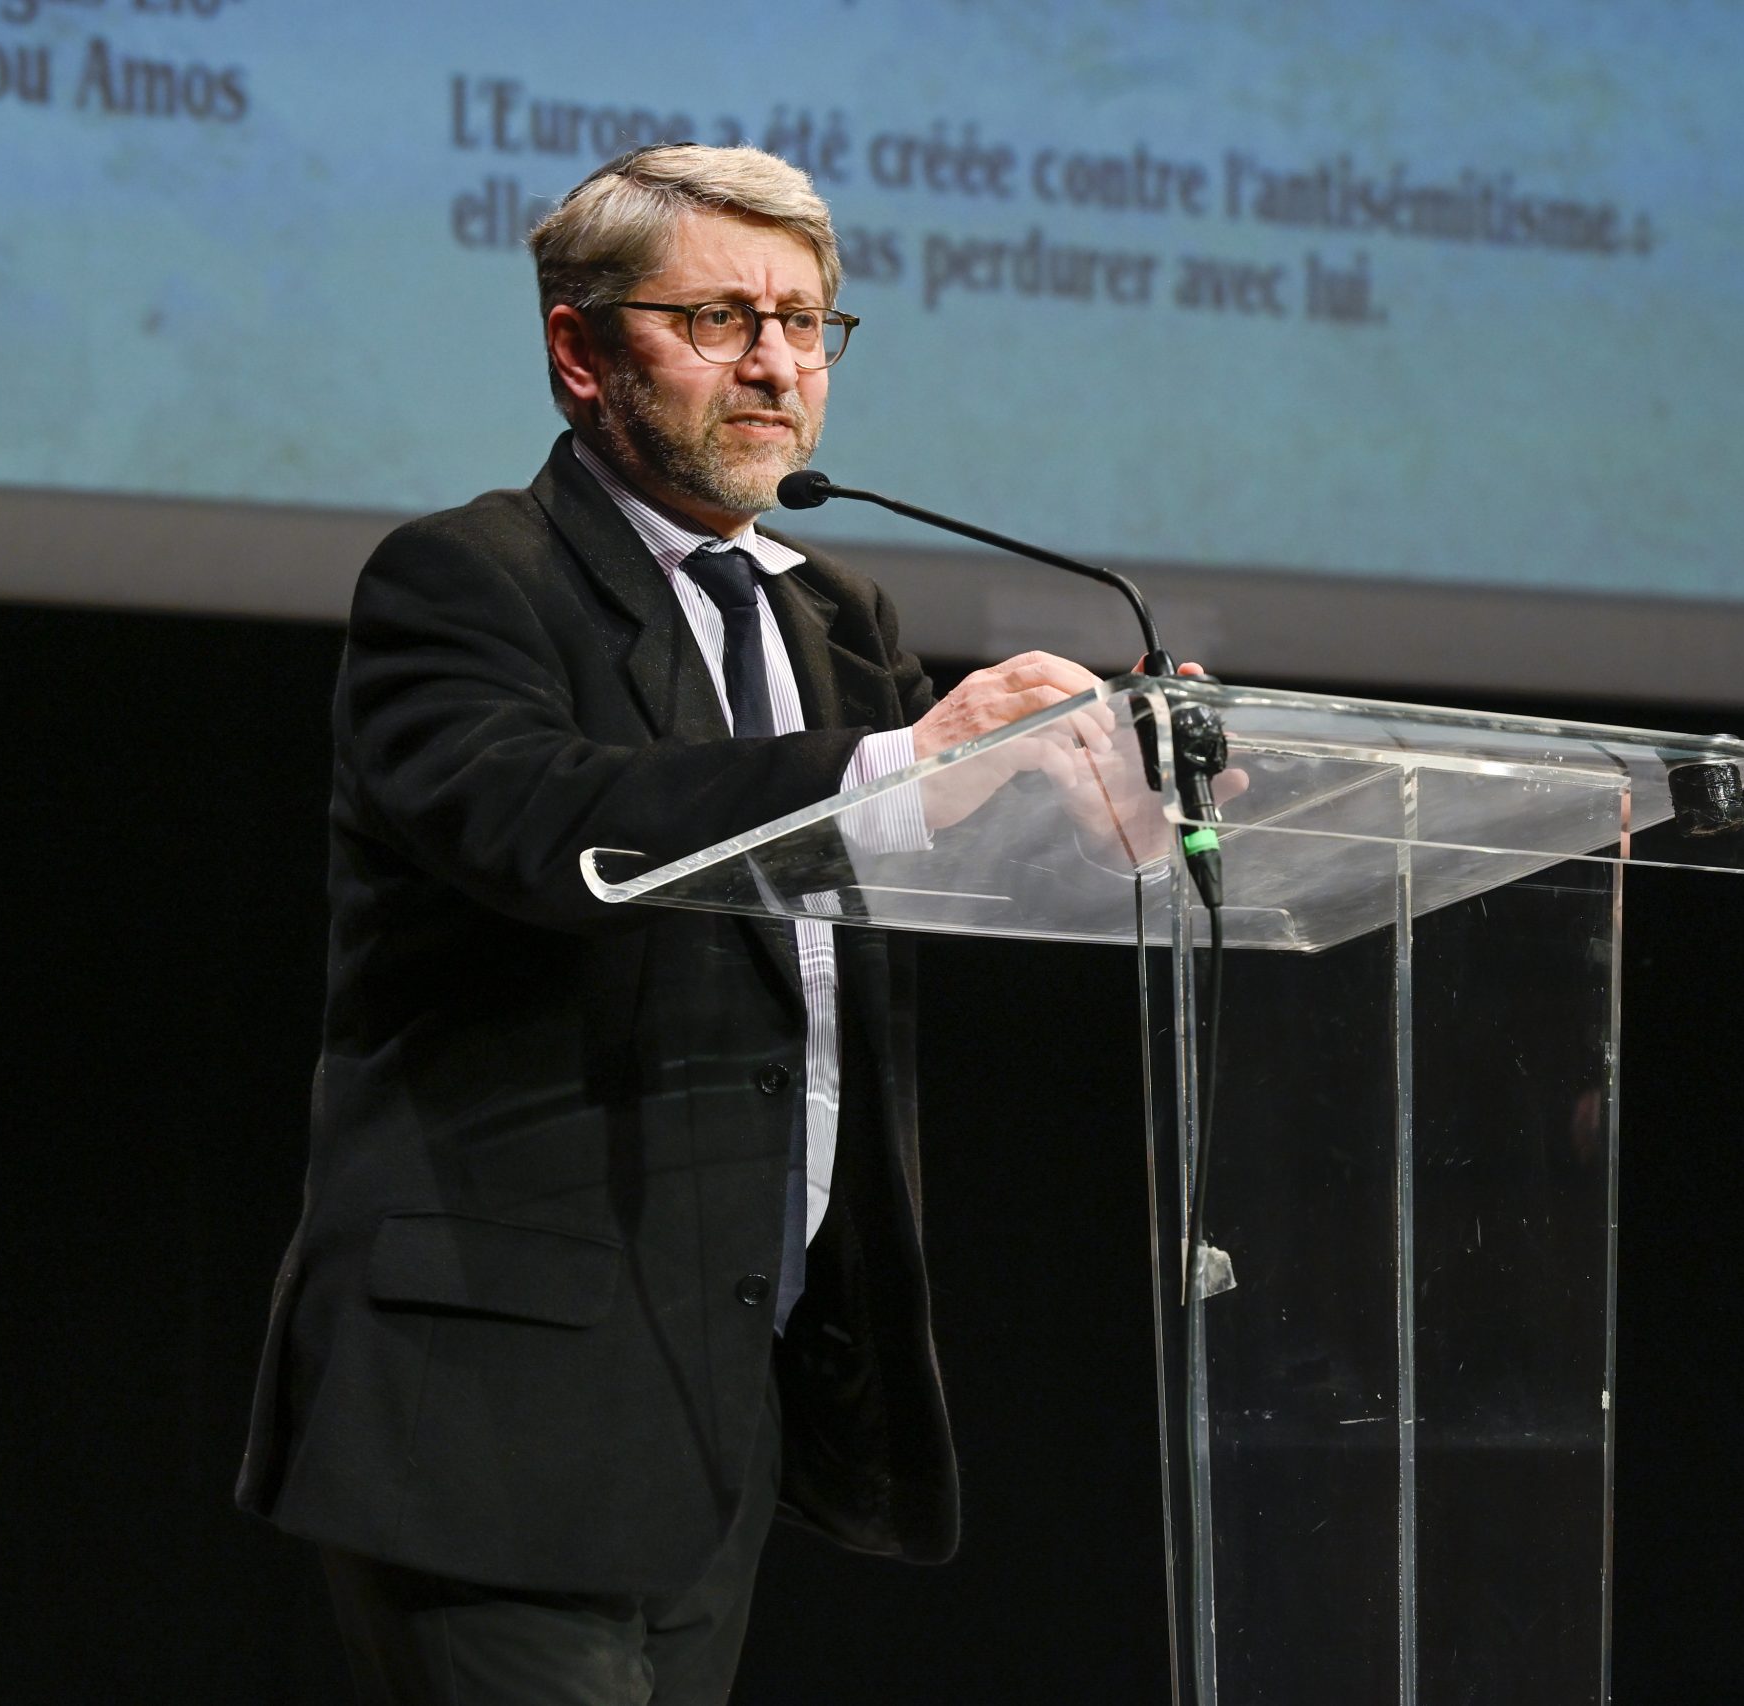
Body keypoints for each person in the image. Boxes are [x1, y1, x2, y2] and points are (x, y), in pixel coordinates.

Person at [236, 143, 1120, 1704]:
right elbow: (547, 819)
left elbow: (905, 836)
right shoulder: (467, 579)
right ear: (581, 351)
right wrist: (918, 756)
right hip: (493, 1399)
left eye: (806, 322)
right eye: (718, 319)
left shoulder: (831, 614)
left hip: (716, 1392)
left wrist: (1121, 777)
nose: (777, 362)